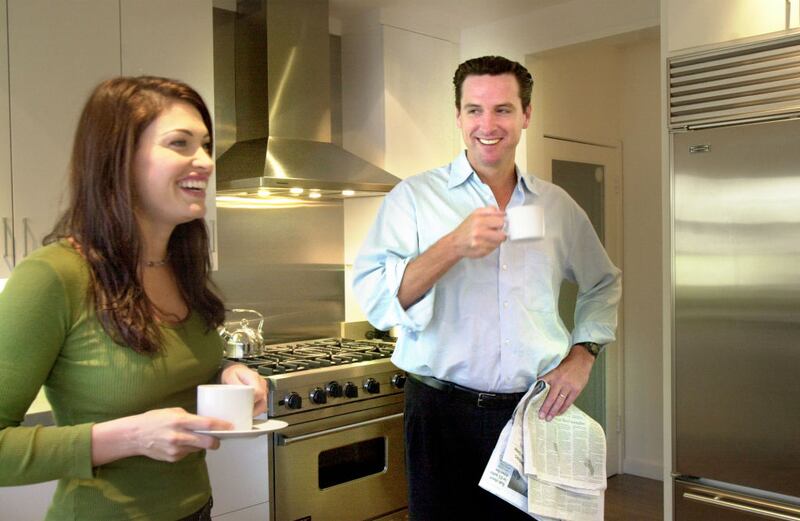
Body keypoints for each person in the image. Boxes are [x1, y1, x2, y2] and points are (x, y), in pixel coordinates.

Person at [353, 56, 621, 520]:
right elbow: (377, 301)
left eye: (502, 109)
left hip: (531, 414)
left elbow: (603, 281)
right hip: (438, 412)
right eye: (474, 110)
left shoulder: (556, 207)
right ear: (458, 117)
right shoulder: (414, 198)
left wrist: (584, 355)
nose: (488, 124)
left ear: (526, 116)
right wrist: (453, 245)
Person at [0, 76, 267, 520]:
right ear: (117, 159)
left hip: (198, 509)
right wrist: (128, 438)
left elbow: (164, 365)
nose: (204, 161)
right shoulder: (55, 276)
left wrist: (227, 373)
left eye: (204, 144)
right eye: (179, 143)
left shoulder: (179, 266)